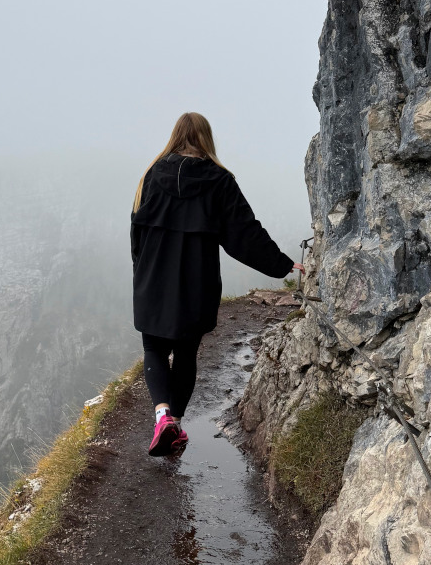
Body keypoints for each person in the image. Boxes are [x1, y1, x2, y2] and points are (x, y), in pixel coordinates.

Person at [131, 112, 305, 456]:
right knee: (185, 352)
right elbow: (243, 232)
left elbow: (137, 229)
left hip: (153, 277)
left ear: (175, 135)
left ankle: (162, 416)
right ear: (206, 139)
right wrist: (282, 264)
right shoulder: (219, 179)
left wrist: (140, 270)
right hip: (197, 280)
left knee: (153, 348)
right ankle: (175, 426)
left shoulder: (152, 175)